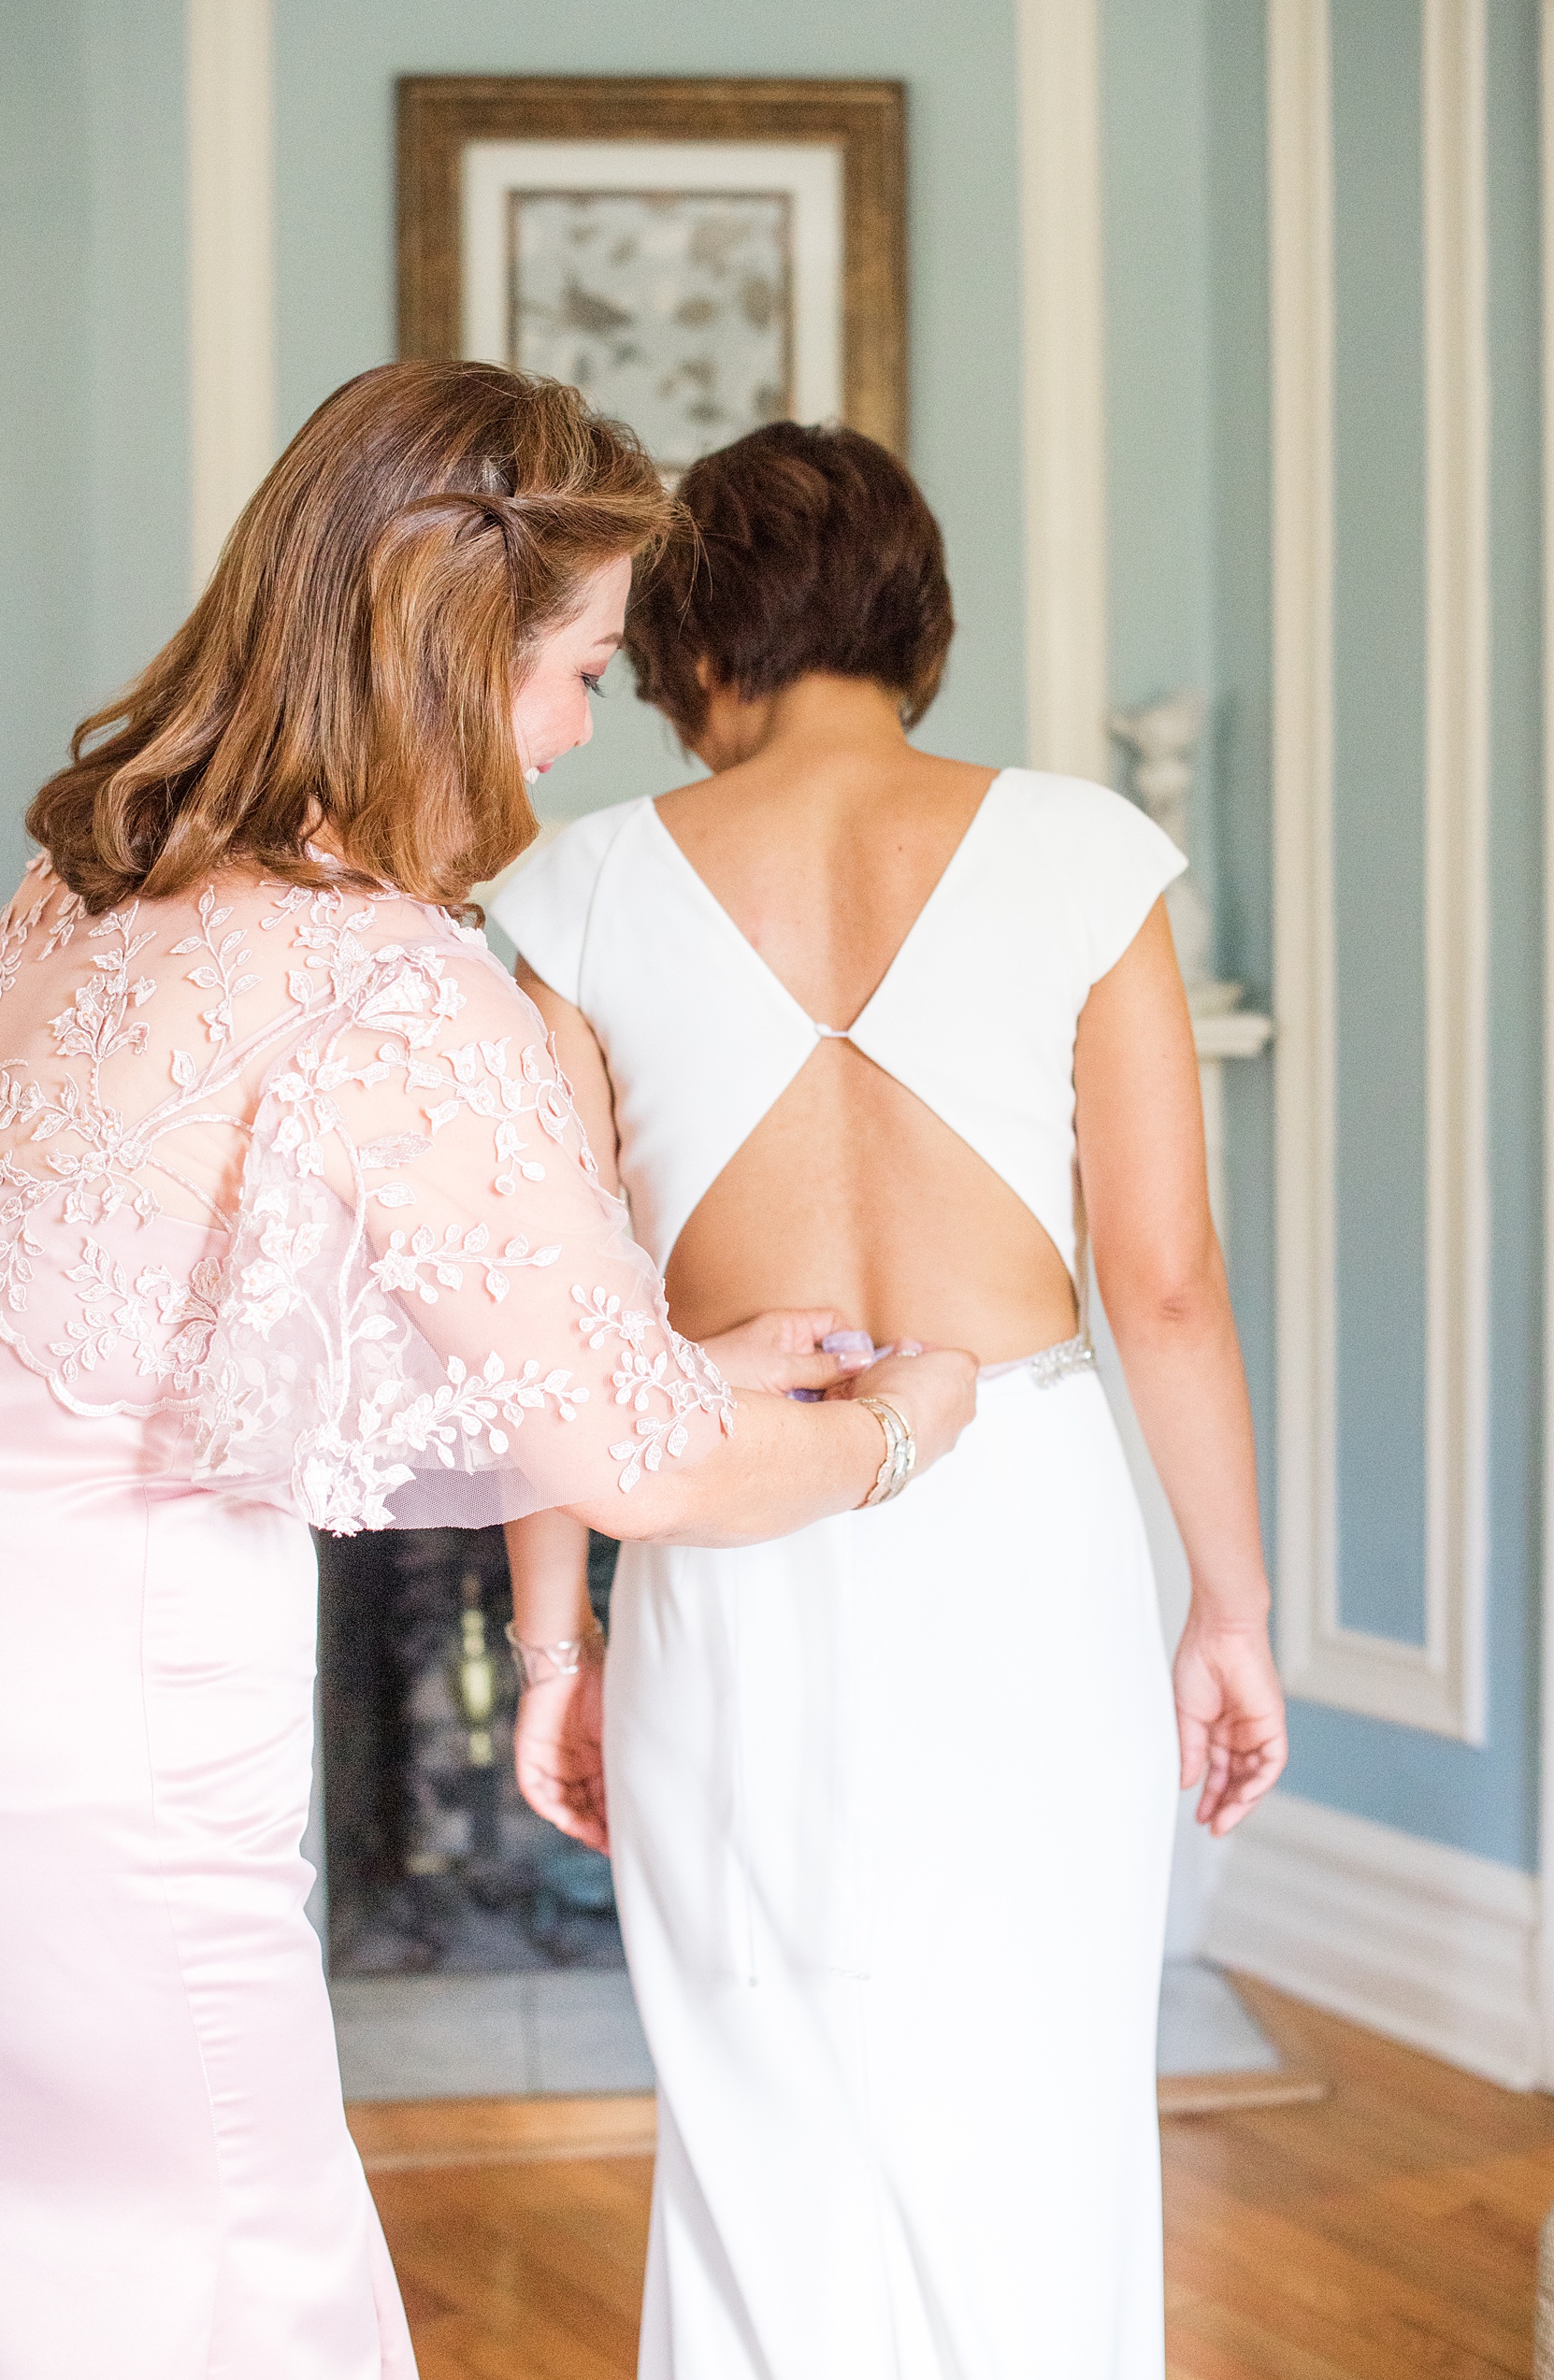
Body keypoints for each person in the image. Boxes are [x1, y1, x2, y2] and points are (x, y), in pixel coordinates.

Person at [0, 367, 974, 2380]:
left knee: (37, 2242)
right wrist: (883, 1432)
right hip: (124, 1738)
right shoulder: (388, 976)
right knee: (234, 2255)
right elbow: (649, 1476)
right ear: (453, 655)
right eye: (584, 665)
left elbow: (178, 1357)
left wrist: (661, 1359)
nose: (586, 727)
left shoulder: (75, 897)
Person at [496, 421, 1288, 2380]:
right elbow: (1166, 1287)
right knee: (1039, 2102)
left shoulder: (579, 886)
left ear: (684, 642)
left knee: (762, 2117)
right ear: (919, 616)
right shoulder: (1083, 849)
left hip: (727, 1516)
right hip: (1026, 1530)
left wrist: (548, 1642)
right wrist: (1231, 1607)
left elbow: (549, 1328)